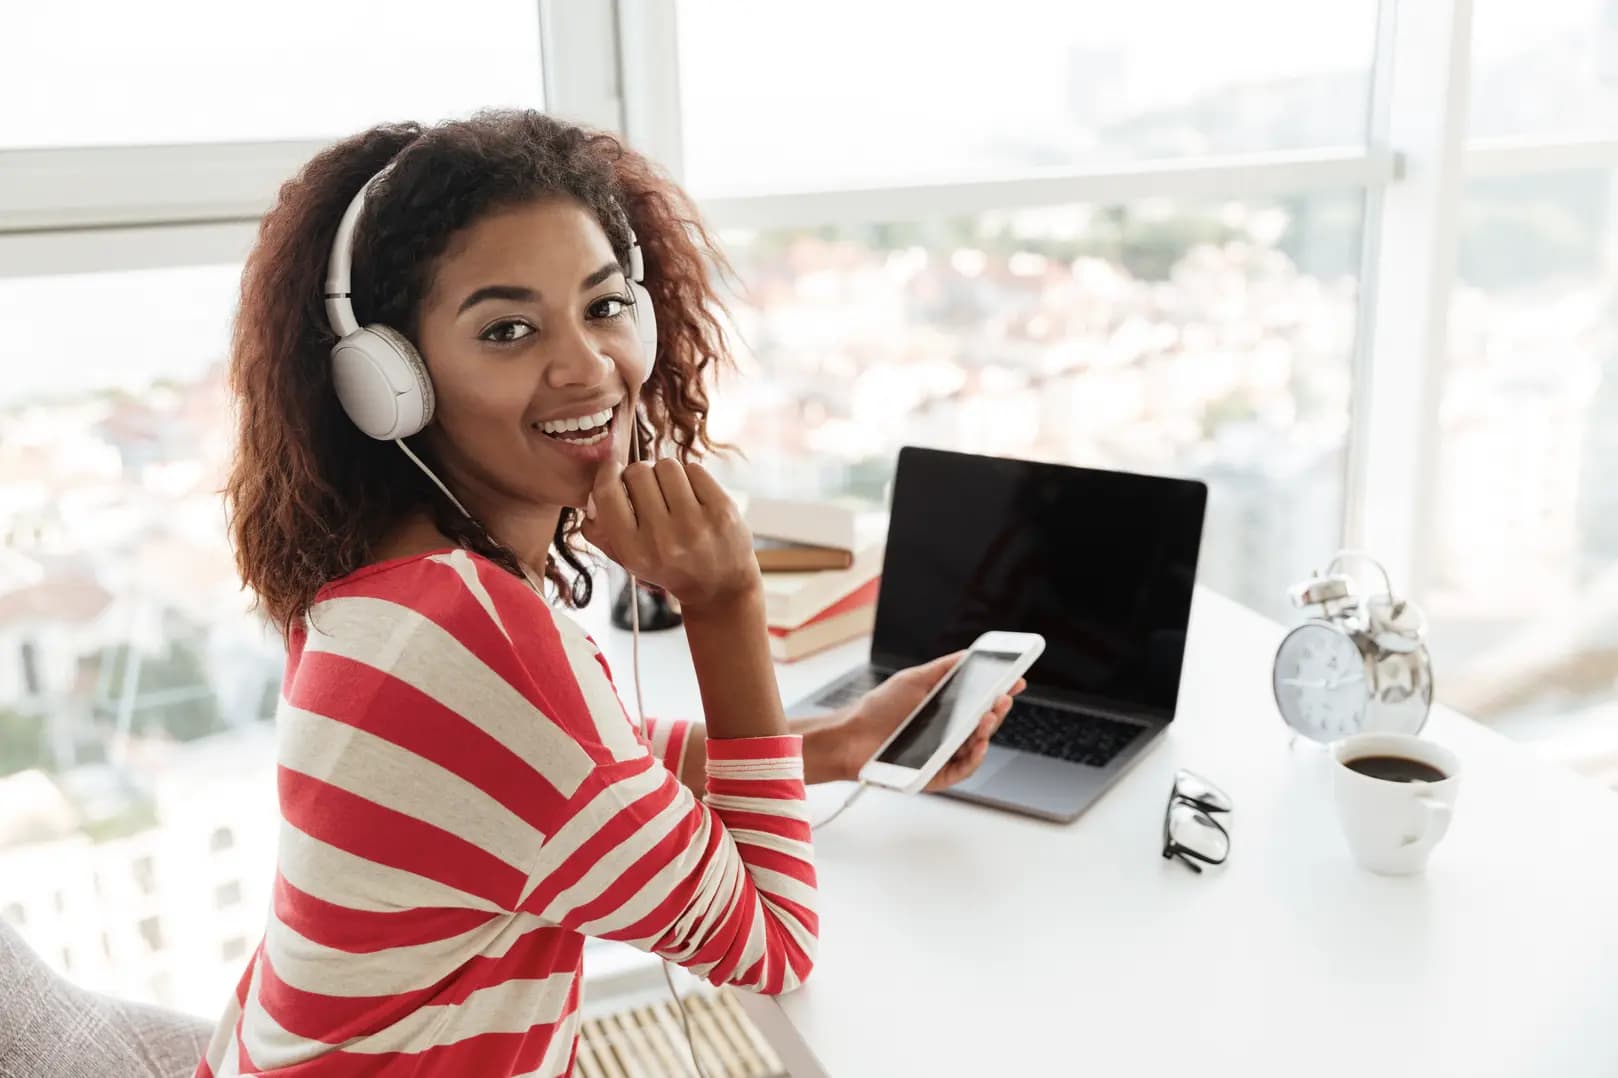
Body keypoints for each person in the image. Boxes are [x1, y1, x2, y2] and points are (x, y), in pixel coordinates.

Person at [200, 109, 1025, 1077]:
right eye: (507, 330)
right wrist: (725, 603)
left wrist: (836, 743)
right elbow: (775, 938)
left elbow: (587, 768)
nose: (589, 367)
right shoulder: (477, 641)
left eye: (602, 308)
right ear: (393, 379)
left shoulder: (386, 588)